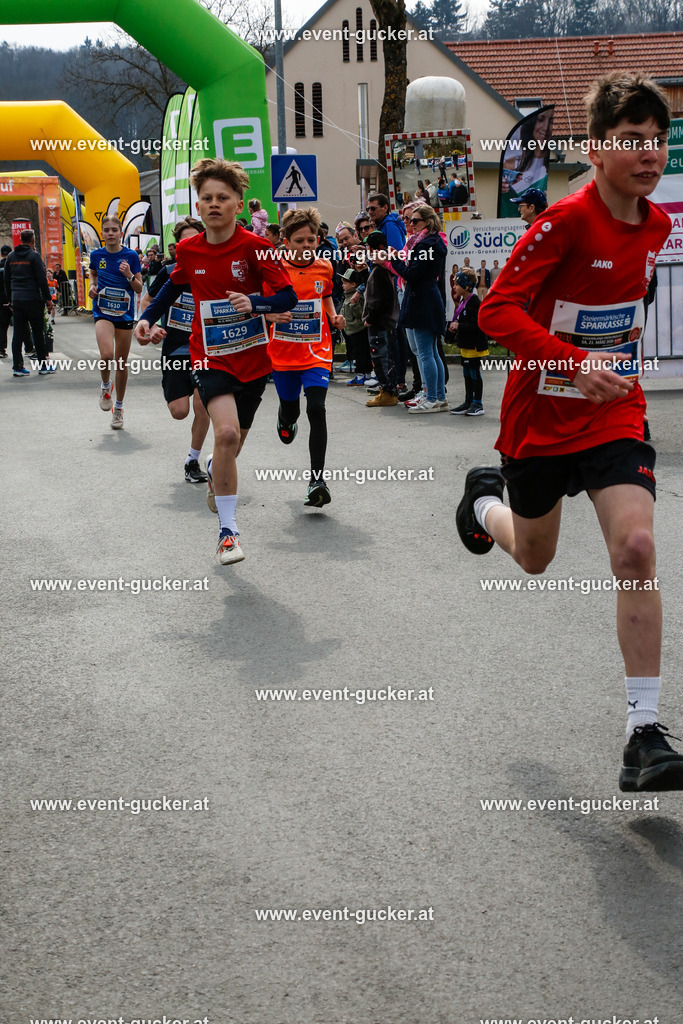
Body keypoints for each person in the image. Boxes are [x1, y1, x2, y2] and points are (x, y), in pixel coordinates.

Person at [456, 71, 682, 790]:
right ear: (593, 148)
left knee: (636, 547)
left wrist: (600, 368)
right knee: (531, 555)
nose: (648, 155)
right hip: (540, 419)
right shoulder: (563, 221)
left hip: (612, 410)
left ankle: (643, 733)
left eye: (657, 140)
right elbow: (493, 314)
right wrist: (569, 361)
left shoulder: (657, 225)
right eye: (630, 141)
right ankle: (480, 503)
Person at [136, 157, 297, 565]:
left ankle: (214, 472)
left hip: (254, 360)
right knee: (224, 435)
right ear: (199, 203)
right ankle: (228, 533)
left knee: (233, 443)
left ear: (238, 204)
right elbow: (169, 291)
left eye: (222, 197)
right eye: (206, 197)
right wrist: (145, 319)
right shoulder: (188, 250)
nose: (213, 204)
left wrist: (256, 302)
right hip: (209, 356)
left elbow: (288, 298)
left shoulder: (258, 248)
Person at [267, 207, 345, 508]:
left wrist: (334, 316)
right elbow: (262, 303)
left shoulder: (325, 267)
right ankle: (285, 419)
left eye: (311, 240)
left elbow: (325, 295)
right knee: (292, 413)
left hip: (317, 351)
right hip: (283, 354)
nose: (306, 246)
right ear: (286, 241)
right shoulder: (274, 268)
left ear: (318, 239)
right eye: (299, 241)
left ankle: (317, 480)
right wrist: (272, 314)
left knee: (317, 409)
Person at [139, 215, 210, 484]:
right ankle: (171, 388)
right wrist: (151, 325)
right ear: (178, 246)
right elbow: (148, 299)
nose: (190, 244)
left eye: (195, 239)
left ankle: (193, 461)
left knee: (202, 404)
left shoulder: (212, 270)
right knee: (180, 411)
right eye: (184, 241)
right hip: (176, 347)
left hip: (205, 349)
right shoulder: (170, 273)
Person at [389, 205, 448, 413]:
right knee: (430, 352)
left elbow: (411, 274)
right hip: (426, 299)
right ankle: (438, 396)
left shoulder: (426, 246)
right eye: (409, 220)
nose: (411, 224)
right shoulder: (429, 242)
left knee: (426, 353)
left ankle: (432, 398)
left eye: (415, 221)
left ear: (428, 222)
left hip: (422, 301)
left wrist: (394, 260)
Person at [88, 215, 143, 428]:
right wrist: (93, 286)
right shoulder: (97, 254)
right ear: (102, 233)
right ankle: (105, 385)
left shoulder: (130, 256)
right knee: (106, 355)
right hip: (102, 311)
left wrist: (129, 275)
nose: (110, 233)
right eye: (107, 230)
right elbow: (93, 273)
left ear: (121, 233)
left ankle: (118, 408)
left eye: (114, 230)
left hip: (124, 314)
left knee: (121, 363)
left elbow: (138, 288)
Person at [4, 229, 55, 377]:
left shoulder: (11, 257)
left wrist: (10, 300)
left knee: (18, 334)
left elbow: (6, 280)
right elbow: (41, 280)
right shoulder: (34, 256)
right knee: (38, 333)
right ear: (32, 240)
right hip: (33, 300)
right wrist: (48, 299)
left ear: (20, 240)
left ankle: (18, 367)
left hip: (17, 300)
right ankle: (43, 365)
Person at [362, 230, 401, 407]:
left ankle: (388, 391)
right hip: (384, 321)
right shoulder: (383, 269)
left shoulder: (379, 271)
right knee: (385, 357)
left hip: (379, 322)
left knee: (380, 358)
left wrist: (370, 317)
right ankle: (387, 390)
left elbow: (380, 300)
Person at [448, 268, 488, 416]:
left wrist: (460, 326)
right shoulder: (464, 302)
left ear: (466, 286)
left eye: (457, 284)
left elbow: (477, 325)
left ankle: (478, 403)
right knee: (466, 373)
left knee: (474, 373)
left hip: (475, 346)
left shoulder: (475, 302)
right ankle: (468, 401)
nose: (454, 287)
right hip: (466, 345)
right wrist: (454, 328)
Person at [340, 267, 372, 387]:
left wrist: (354, 305)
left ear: (353, 284)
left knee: (362, 354)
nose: (343, 285)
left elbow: (361, 314)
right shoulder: (348, 295)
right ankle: (365, 374)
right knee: (359, 353)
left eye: (345, 283)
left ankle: (362, 375)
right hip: (351, 331)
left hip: (359, 329)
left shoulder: (357, 296)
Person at [0, 244, 12, 357]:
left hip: (1, 299)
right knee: (22, 324)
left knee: (2, 325)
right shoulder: (13, 265)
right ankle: (29, 347)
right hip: (15, 297)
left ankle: (1, 349)